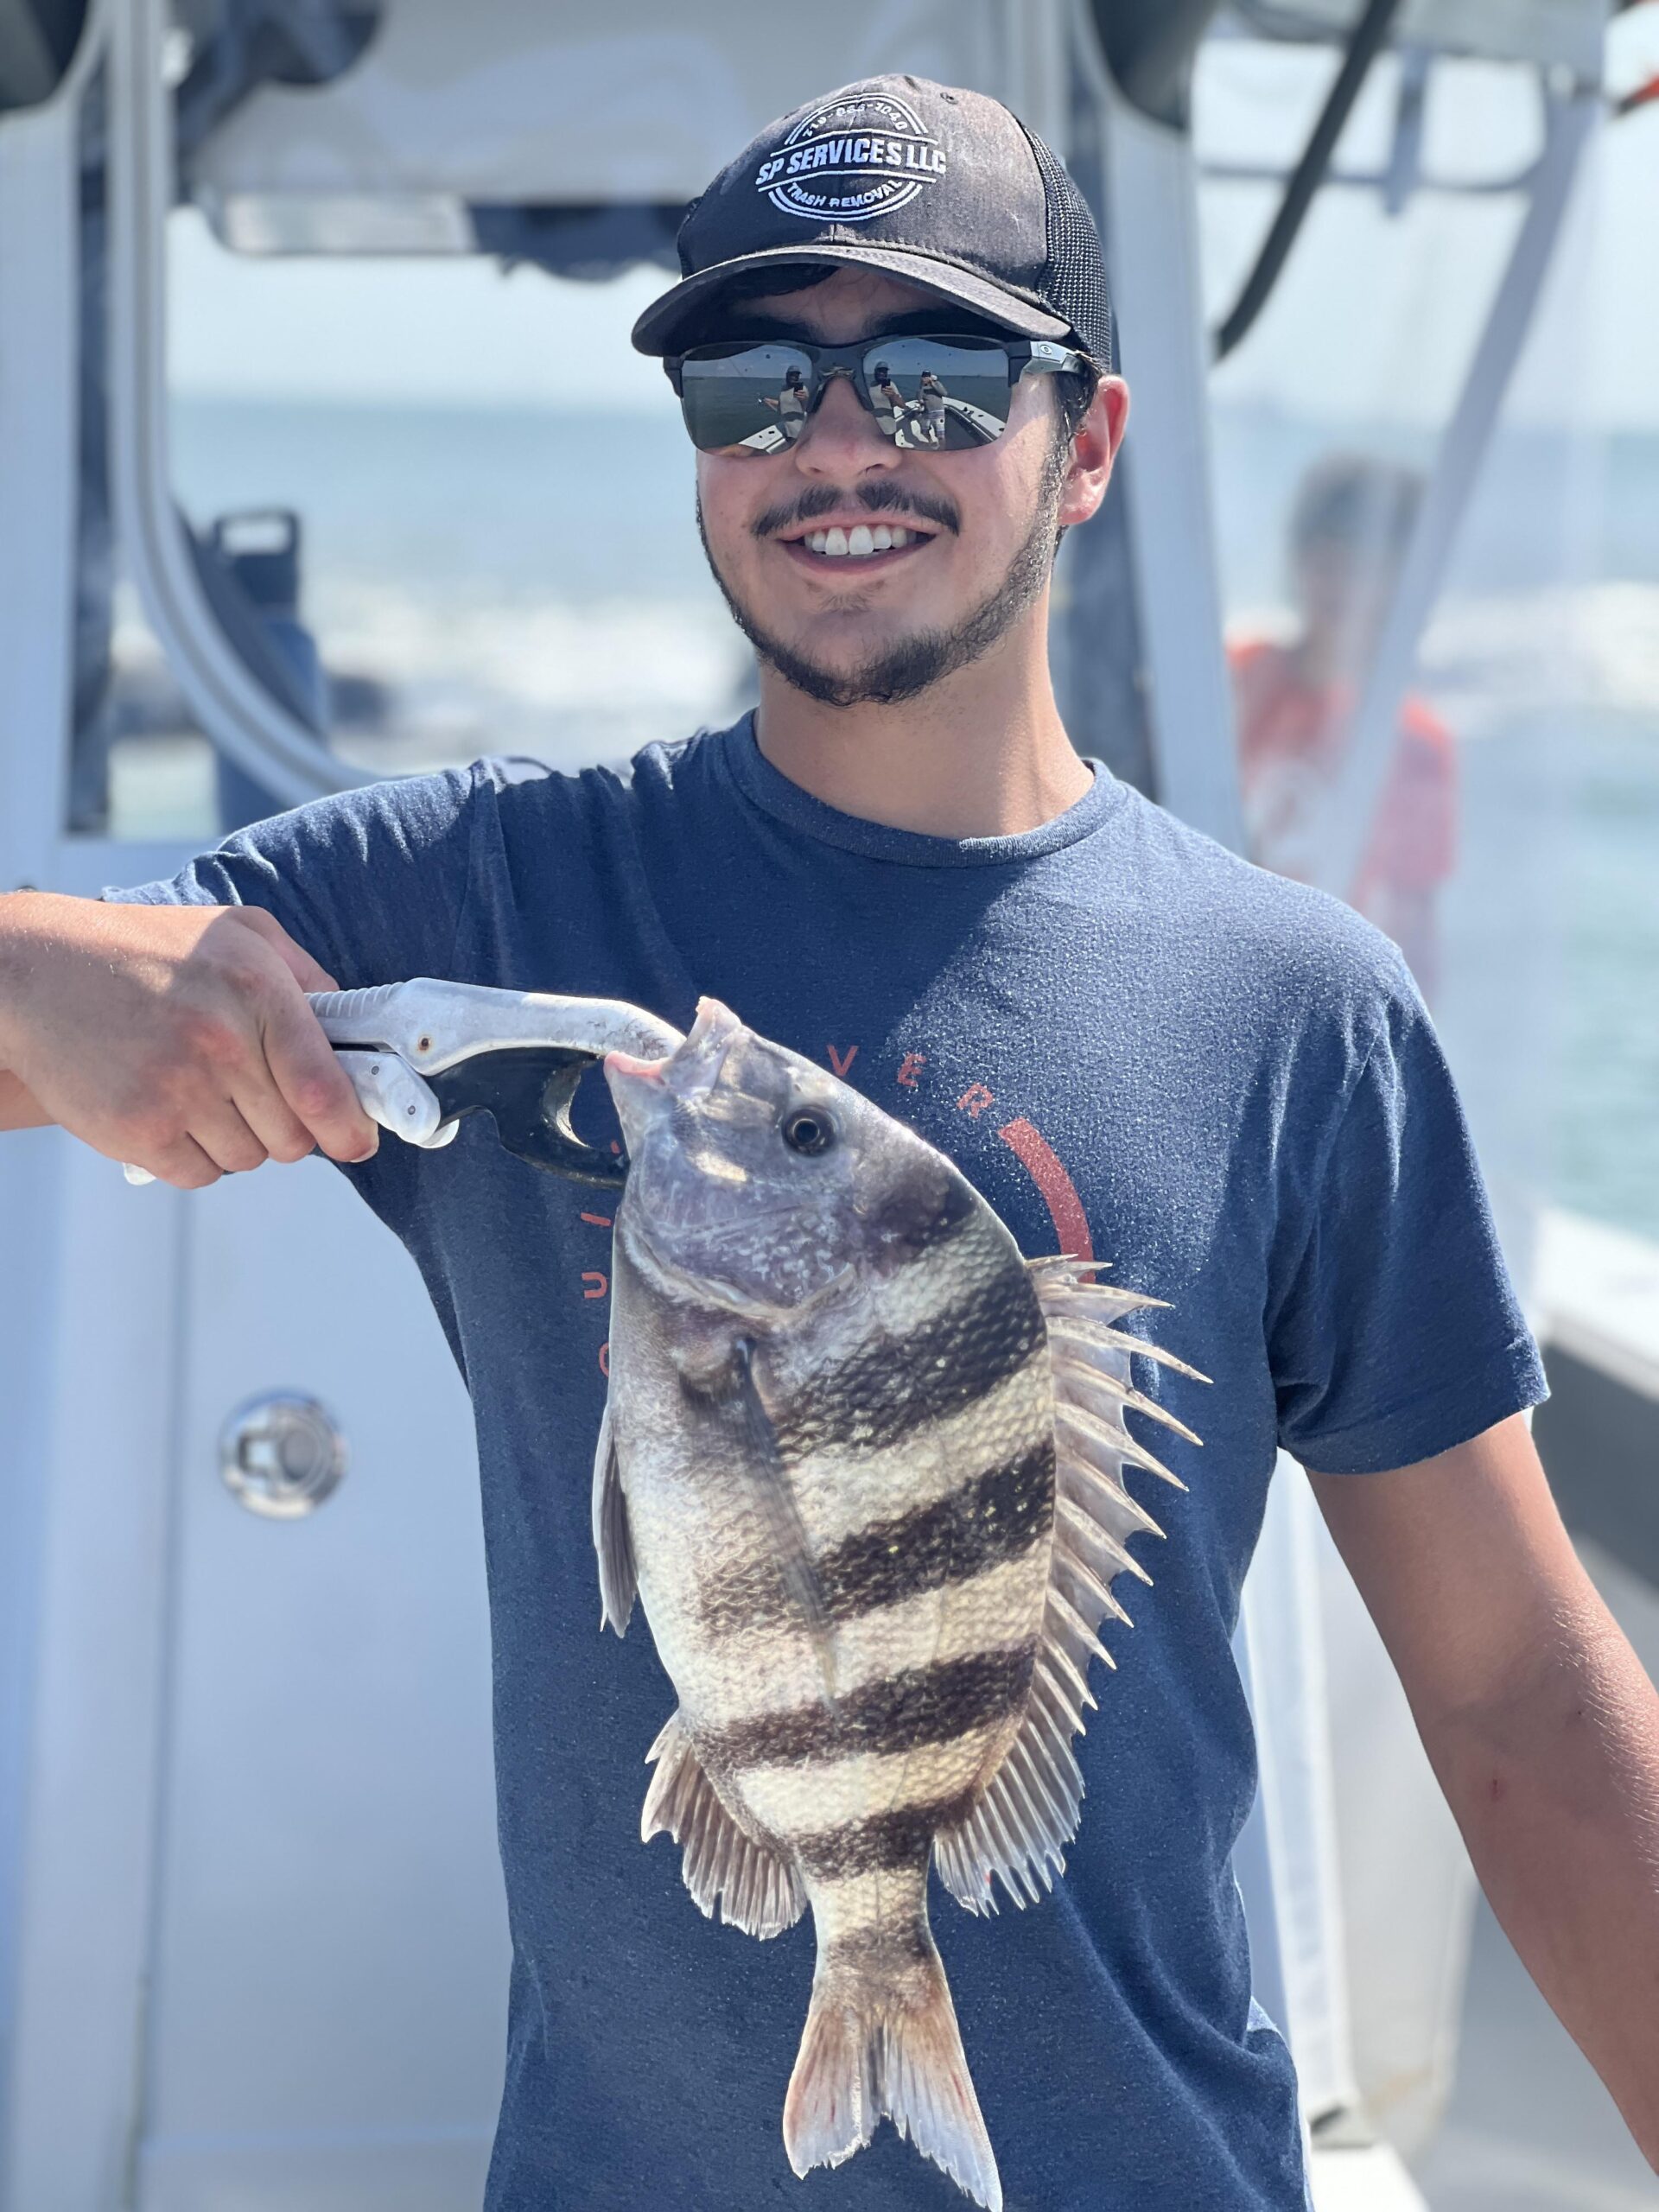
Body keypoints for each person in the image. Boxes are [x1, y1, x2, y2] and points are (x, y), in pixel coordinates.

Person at [1, 73, 1655, 2212]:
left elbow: (1520, 1683)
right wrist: (35, 969)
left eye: (940, 371)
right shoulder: (503, 892)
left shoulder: (1298, 1007)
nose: (839, 442)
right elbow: (65, 1033)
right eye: (754, 381)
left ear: (1092, 444)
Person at [1230, 454, 1457, 996]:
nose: (1335, 584)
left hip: (1326, 998)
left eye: (1357, 565)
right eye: (1322, 560)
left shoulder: (1418, 741)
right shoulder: (1237, 676)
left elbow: (1415, 923)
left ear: (1396, 578)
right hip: (1219, 967)